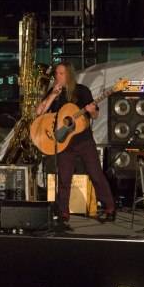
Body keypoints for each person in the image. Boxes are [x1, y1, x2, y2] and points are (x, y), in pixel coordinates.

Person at [35, 62, 115, 226]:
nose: (57, 76)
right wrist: (52, 96)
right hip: (64, 143)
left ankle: (110, 208)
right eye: (56, 73)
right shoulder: (54, 92)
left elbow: (95, 115)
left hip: (84, 141)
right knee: (64, 178)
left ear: (69, 75)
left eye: (61, 74)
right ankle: (63, 212)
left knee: (95, 174)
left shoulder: (82, 90)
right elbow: (39, 112)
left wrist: (92, 110)